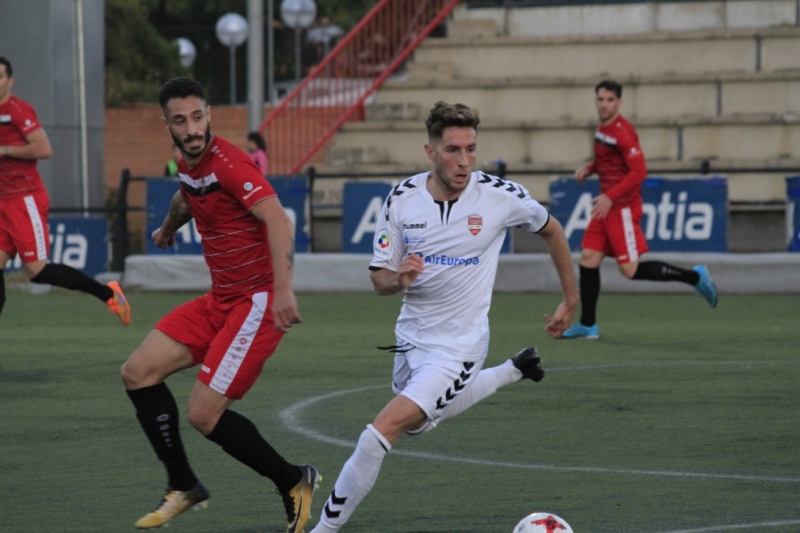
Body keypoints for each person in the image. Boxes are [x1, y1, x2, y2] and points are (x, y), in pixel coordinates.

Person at [309, 101, 578, 532]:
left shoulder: (498, 196)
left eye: (471, 149)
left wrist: (570, 298)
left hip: (460, 346)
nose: (465, 161)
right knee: (420, 423)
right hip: (411, 337)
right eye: (453, 150)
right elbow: (379, 280)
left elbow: (552, 229)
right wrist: (400, 279)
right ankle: (513, 370)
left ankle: (322, 530)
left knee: (379, 433)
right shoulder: (402, 198)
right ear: (430, 151)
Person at [120, 77, 318, 532]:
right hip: (221, 300)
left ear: (209, 115)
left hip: (256, 303)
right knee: (137, 373)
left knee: (203, 414)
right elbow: (188, 193)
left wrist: (284, 290)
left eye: (197, 117)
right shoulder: (191, 164)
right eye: (180, 121)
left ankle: (293, 482)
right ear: (167, 124)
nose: (191, 128)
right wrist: (168, 226)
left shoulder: (229, 162)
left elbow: (276, 219)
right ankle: (183, 484)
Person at [561, 79, 718, 340]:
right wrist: (589, 169)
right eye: (601, 99)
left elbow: (639, 171)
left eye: (610, 100)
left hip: (620, 207)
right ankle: (588, 325)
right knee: (588, 259)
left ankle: (695, 276)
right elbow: (607, 160)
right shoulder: (603, 129)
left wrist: (610, 196)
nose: (605, 104)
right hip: (606, 206)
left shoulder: (623, 132)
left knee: (630, 270)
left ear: (619, 103)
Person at [0, 56, 130, 325]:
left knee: (37, 272)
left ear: (9, 81)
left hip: (25, 200)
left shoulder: (18, 111)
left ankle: (109, 294)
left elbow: (44, 149)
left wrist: (5, 150)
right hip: (2, 201)